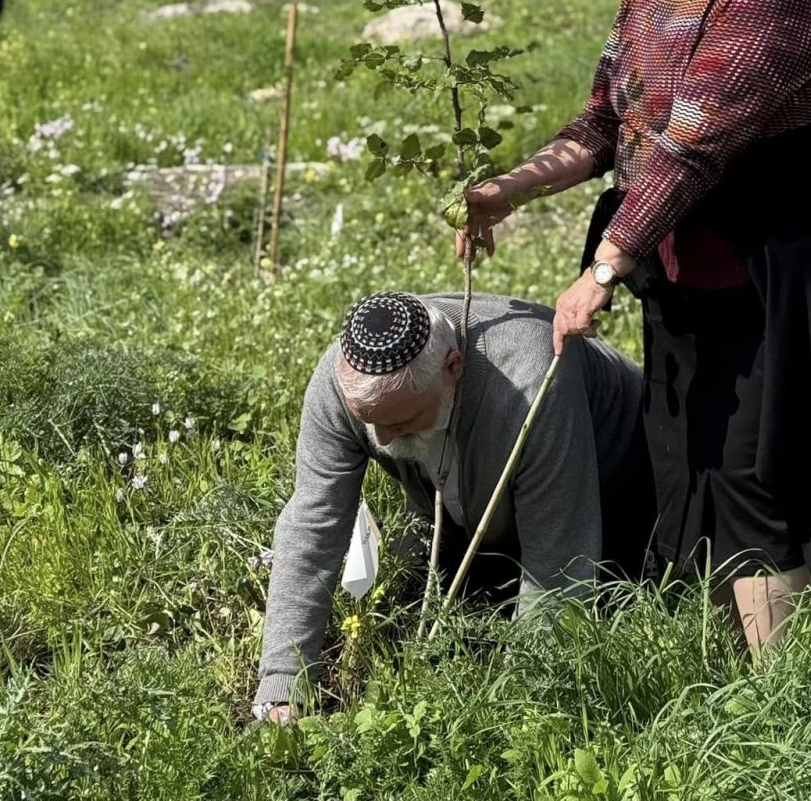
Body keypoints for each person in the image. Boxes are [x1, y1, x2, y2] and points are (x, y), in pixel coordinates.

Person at [458, 0, 811, 656]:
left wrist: (603, 266)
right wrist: (508, 189)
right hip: (691, 264)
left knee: (761, 468)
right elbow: (605, 125)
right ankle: (737, 657)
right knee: (690, 451)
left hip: (781, 272)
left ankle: (788, 693)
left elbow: (691, 146)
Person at [253, 290, 654, 721]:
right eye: (370, 423)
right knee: (420, 613)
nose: (382, 441)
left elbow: (559, 559)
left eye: (399, 423)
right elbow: (314, 524)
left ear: (454, 369)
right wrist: (282, 684)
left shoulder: (531, 383)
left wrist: (520, 709)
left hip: (616, 496)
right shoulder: (341, 382)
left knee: (613, 607)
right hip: (469, 506)